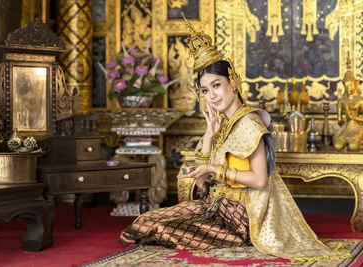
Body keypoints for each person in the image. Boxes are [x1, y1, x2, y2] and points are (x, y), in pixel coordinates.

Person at [120, 15, 350, 261]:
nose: (212, 95)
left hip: (239, 220)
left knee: (160, 230)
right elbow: (201, 187)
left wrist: (212, 168)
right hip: (213, 208)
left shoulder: (250, 123)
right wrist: (209, 137)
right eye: (206, 91)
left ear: (234, 81)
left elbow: (260, 180)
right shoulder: (222, 124)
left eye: (217, 85)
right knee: (144, 221)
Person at [334, 56, 363, 151]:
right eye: (346, 86)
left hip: (356, 128)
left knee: (353, 146)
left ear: (355, 84)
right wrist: (344, 117)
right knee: (337, 146)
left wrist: (354, 118)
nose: (348, 89)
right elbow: (339, 121)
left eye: (350, 86)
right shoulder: (341, 101)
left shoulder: (360, 100)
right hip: (346, 128)